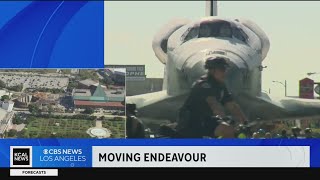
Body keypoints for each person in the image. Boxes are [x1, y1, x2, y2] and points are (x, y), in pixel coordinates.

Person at [176, 57, 248, 138]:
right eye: (222, 69)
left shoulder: (221, 86)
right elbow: (214, 105)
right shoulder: (204, 85)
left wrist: (245, 122)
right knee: (226, 129)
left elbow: (232, 106)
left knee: (234, 130)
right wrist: (227, 120)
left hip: (206, 120)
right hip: (192, 123)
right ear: (212, 70)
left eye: (225, 69)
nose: (224, 72)